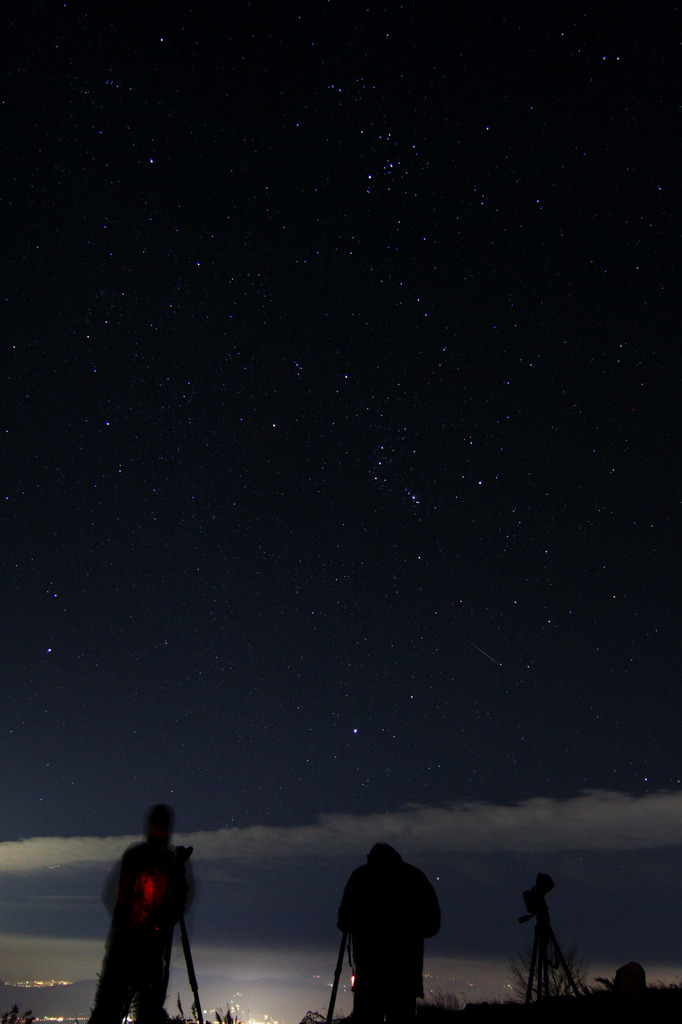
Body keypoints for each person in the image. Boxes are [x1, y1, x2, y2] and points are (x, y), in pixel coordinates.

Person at [89, 804, 192, 1024]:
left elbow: (178, 903)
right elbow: (120, 898)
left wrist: (163, 923)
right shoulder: (137, 856)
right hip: (127, 945)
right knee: (111, 1007)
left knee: (146, 1010)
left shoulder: (166, 861)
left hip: (146, 948)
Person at [337, 843, 440, 1023]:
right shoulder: (414, 877)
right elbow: (432, 925)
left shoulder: (362, 876)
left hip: (369, 972)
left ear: (371, 858)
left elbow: (344, 921)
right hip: (405, 974)